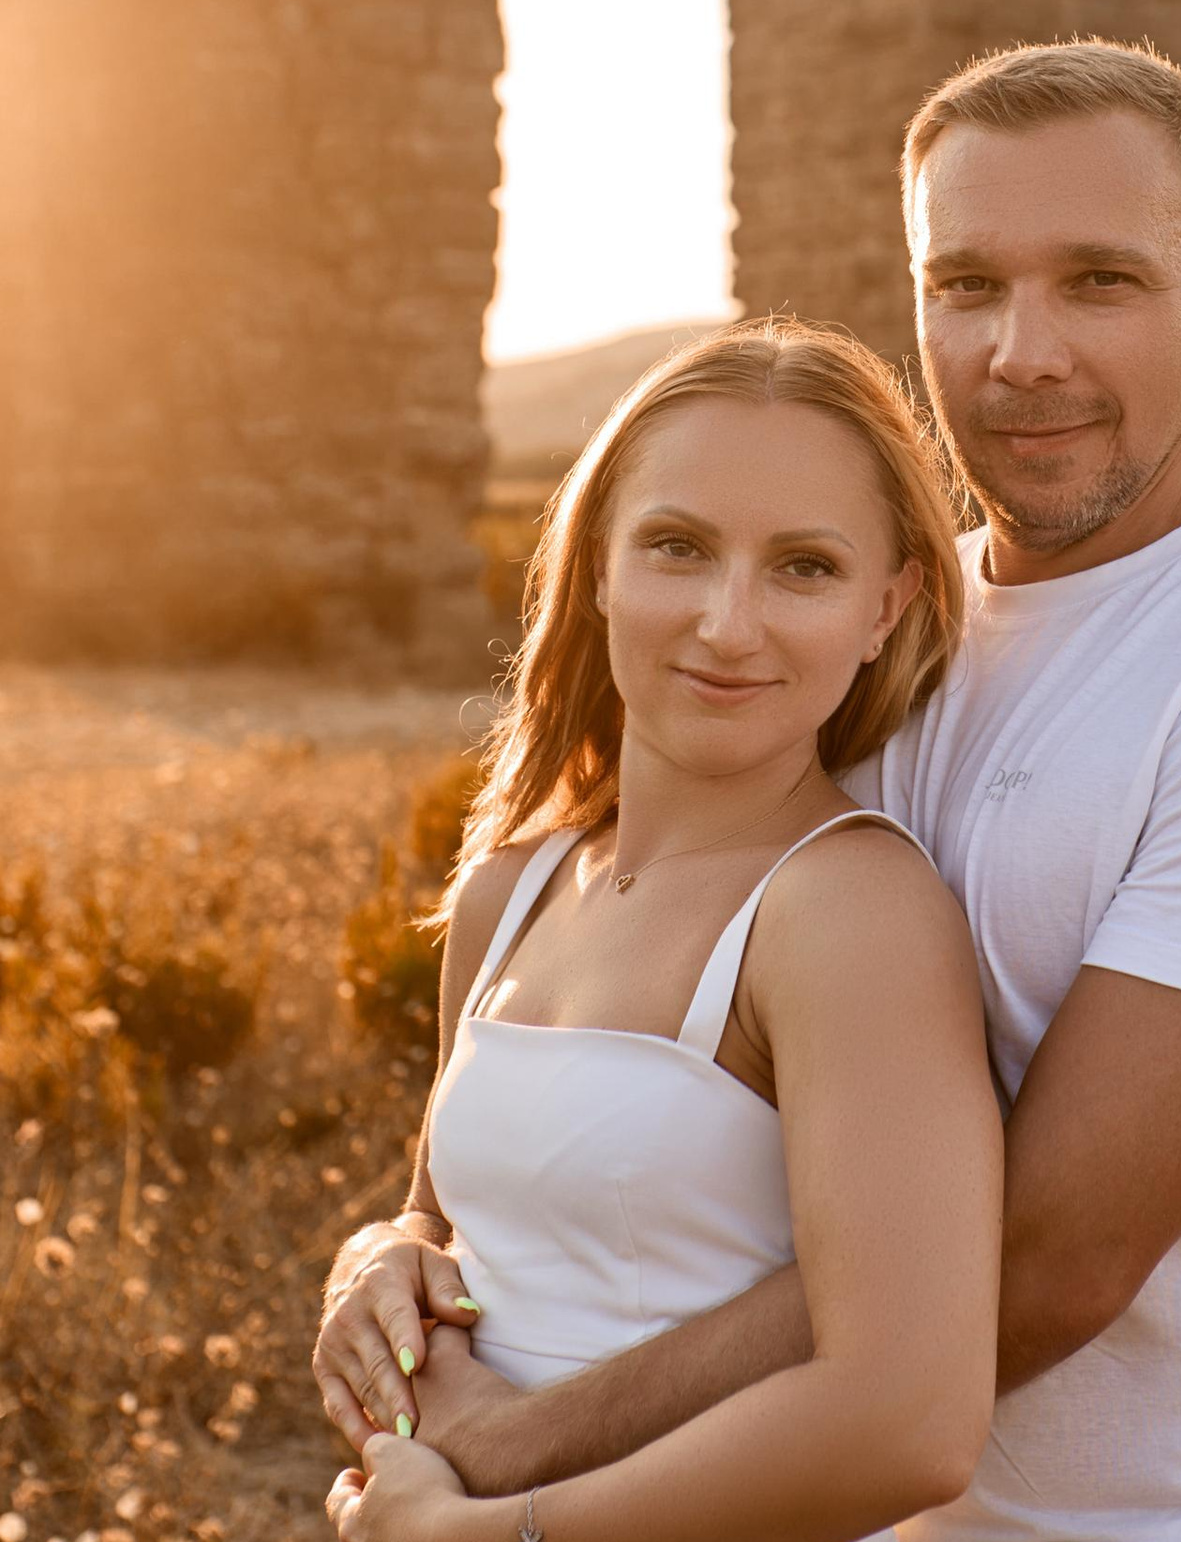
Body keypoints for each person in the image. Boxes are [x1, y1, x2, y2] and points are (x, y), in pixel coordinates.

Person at [358, 40, 1181, 1542]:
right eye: (967, 285)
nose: (1023, 353)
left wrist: (506, 1452)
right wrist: (388, 1259)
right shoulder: (877, 628)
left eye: (1100, 280)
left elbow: (1039, 1259)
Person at [313, 321, 1003, 1541]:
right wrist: (378, 1255)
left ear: (887, 606)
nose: (727, 624)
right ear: (595, 566)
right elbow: (453, 1220)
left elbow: (910, 1418)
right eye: (677, 547)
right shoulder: (509, 887)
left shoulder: (846, 912)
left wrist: (499, 1532)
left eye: (804, 567)